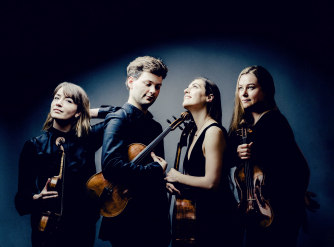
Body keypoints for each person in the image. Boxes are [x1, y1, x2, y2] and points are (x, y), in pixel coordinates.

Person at [15, 82, 118, 247]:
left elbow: (122, 114)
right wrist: (36, 199)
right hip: (46, 230)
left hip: (82, 229)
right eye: (56, 98)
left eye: (68, 100)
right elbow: (21, 199)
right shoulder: (34, 145)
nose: (58, 103)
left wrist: (85, 113)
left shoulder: (88, 139)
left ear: (78, 111)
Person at [228, 66, 315, 247]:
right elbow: (227, 159)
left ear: (266, 90)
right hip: (255, 209)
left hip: (279, 209)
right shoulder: (243, 124)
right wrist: (237, 153)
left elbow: (299, 166)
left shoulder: (274, 121)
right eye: (240, 88)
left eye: (250, 87)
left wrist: (298, 193)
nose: (243, 93)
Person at [98, 56, 171, 247]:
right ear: (131, 82)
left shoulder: (155, 127)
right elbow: (111, 166)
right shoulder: (118, 120)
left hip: (155, 220)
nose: (153, 91)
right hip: (129, 221)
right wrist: (155, 171)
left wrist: (163, 179)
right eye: (148, 84)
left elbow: (156, 174)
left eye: (158, 86)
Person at [165, 77, 242, 247]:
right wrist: (175, 184)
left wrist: (178, 177)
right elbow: (195, 178)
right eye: (187, 86)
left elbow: (211, 182)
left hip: (218, 219)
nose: (186, 90)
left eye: (194, 86)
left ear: (209, 97)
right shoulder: (195, 133)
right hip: (202, 215)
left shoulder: (213, 131)